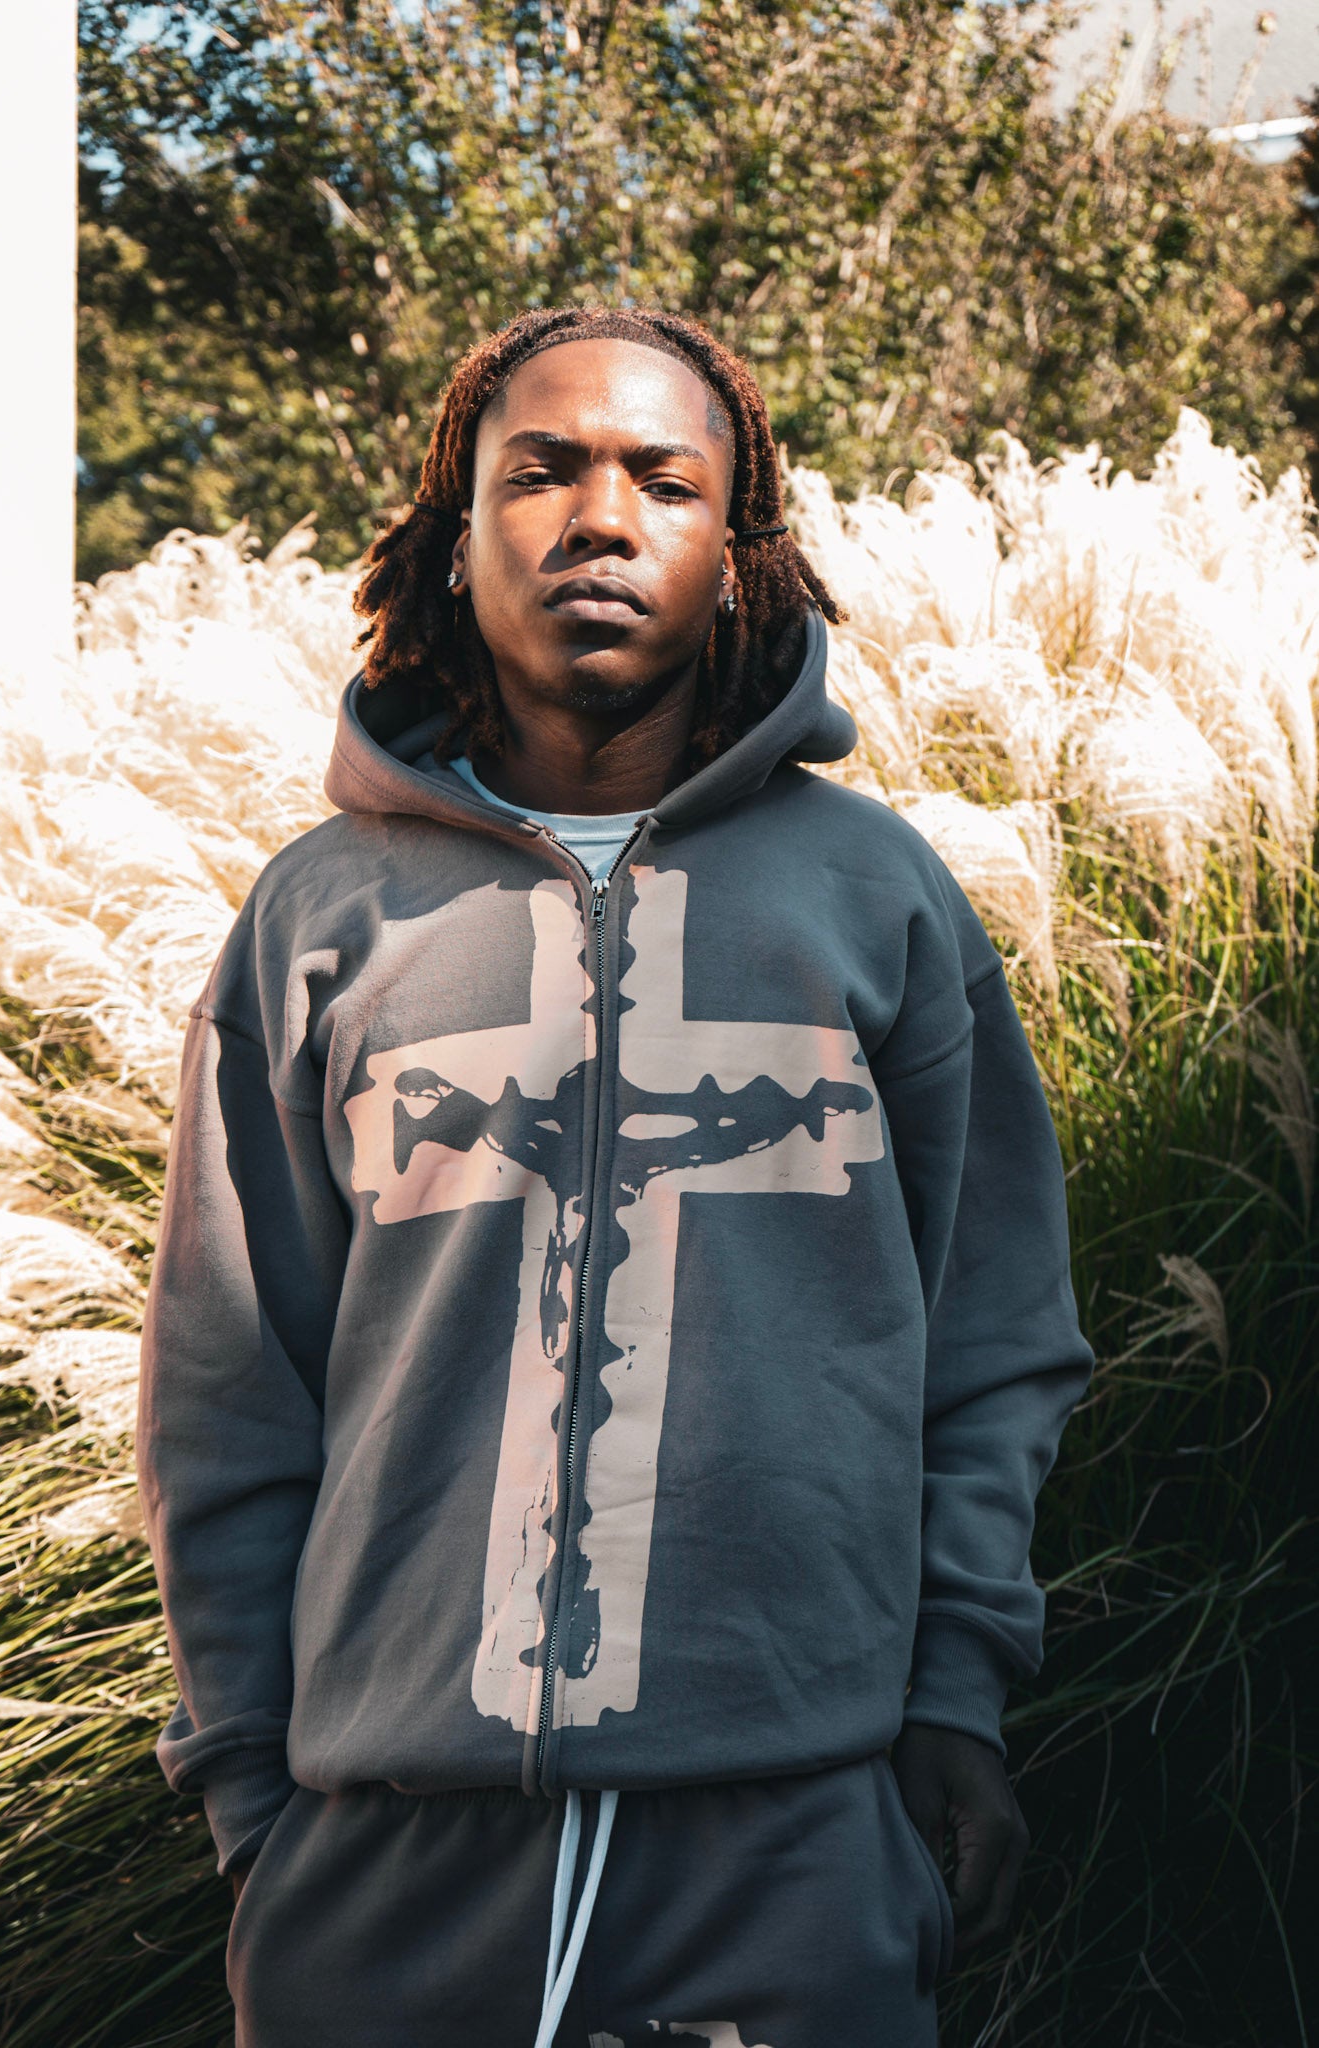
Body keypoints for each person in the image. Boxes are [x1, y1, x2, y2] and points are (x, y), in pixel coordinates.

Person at [136, 302, 1094, 2048]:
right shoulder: (320, 916)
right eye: (539, 473)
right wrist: (256, 1805)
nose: (599, 518)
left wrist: (953, 1697)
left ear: (737, 553)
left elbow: (994, 1340)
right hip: (380, 1859)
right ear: (453, 539)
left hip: (794, 1840)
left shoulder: (875, 900)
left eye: (663, 480)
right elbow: (227, 1385)